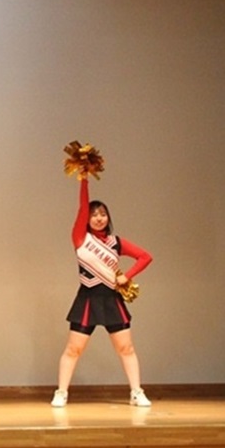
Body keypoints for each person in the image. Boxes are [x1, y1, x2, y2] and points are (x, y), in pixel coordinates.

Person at [51, 175, 153, 408]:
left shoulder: (116, 242)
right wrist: (84, 180)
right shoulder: (80, 238)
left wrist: (127, 276)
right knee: (74, 349)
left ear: (109, 218)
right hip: (87, 298)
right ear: (87, 219)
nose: (99, 218)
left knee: (126, 348)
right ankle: (61, 392)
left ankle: (136, 392)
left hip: (111, 299)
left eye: (103, 214)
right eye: (94, 214)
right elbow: (82, 206)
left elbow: (145, 257)